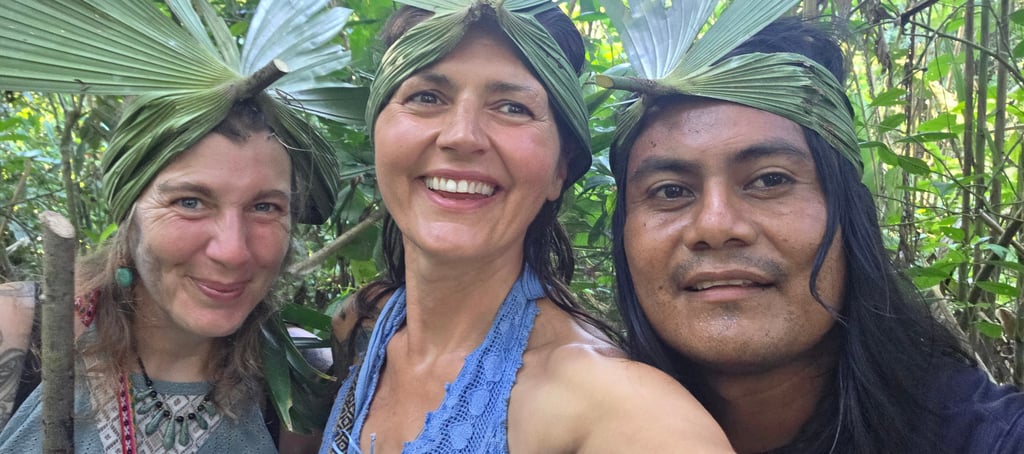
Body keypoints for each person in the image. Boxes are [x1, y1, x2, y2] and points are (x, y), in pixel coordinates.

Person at [603, 7, 1024, 454]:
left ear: (850, 213)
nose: (716, 224)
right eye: (670, 191)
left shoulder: (988, 438)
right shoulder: (565, 427)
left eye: (770, 180)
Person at [320, 0, 732, 452]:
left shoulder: (619, 411)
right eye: (426, 97)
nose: (461, 135)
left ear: (561, 168)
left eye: (513, 107)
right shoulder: (359, 324)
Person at [0, 1, 346, 452]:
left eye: (265, 207)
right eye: (190, 202)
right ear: (129, 211)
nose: (232, 251)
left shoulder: (300, 374)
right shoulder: (18, 330)